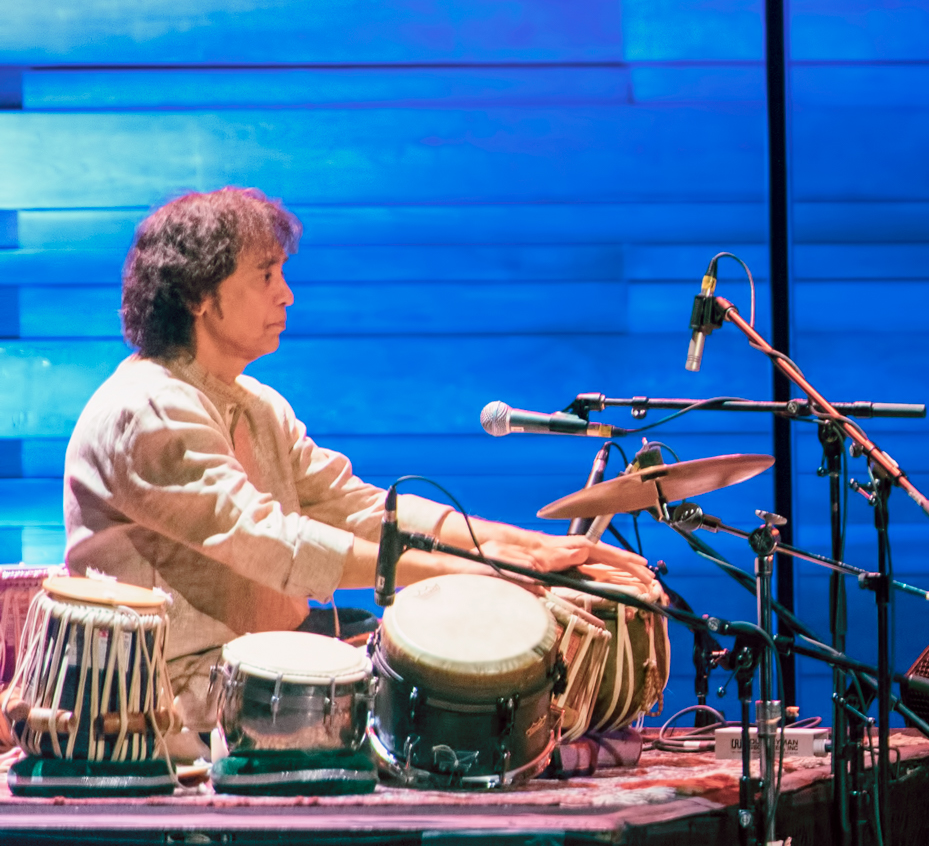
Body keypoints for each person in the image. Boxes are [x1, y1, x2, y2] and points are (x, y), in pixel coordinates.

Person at [63, 186, 649, 756]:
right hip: (166, 701)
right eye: (266, 276)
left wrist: (528, 547)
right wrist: (479, 574)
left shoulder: (257, 404)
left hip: (259, 670)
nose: (286, 295)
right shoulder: (146, 410)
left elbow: (362, 507)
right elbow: (271, 541)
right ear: (198, 296)